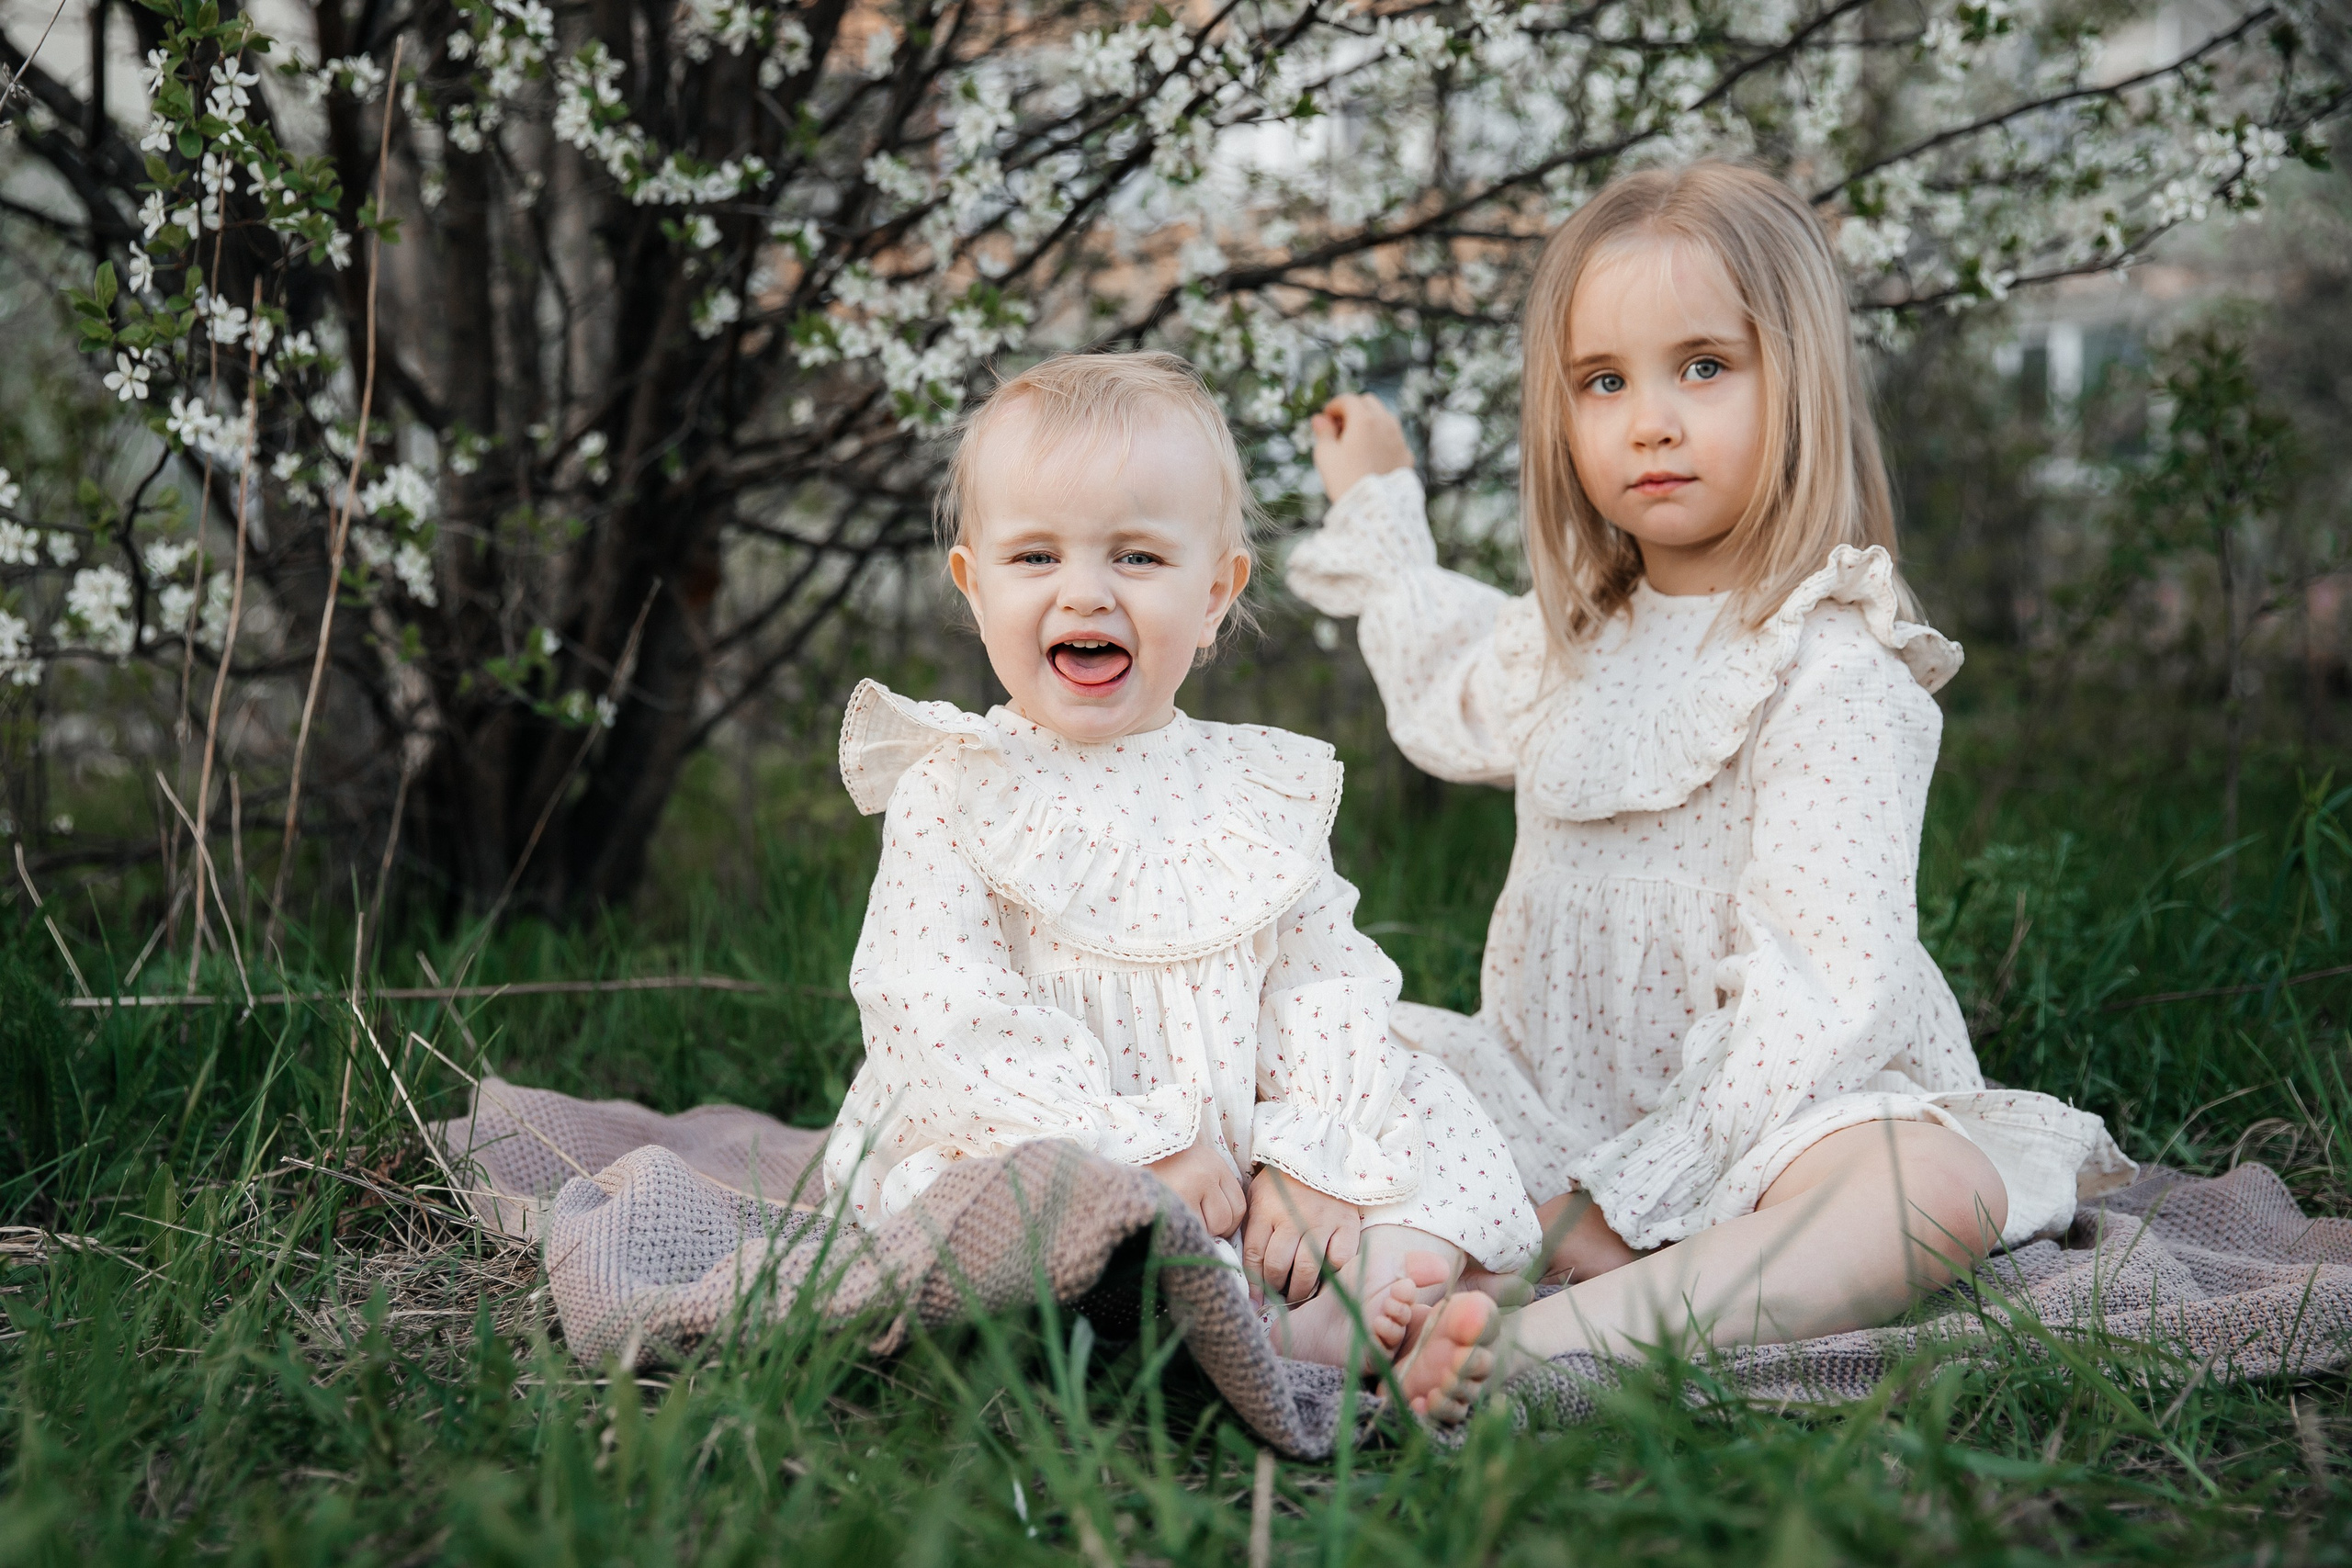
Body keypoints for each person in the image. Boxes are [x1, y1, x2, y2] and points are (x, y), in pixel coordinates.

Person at [1288, 164, 2134, 1416]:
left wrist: (1646, 1186)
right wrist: (1377, 504)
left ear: (1795, 381)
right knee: (1333, 1043)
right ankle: (1388, 1287)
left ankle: (1566, 1332)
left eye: (1703, 367)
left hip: (1768, 1117)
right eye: (1604, 381)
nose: (1651, 420)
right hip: (1555, 1099)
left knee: (1927, 1193)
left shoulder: (1835, 662)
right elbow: (1441, 677)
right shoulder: (1578, 635)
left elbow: (1823, 985)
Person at [823, 350, 1540, 1371]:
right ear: (973, 588)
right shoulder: (958, 786)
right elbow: (937, 1015)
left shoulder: (1254, 790)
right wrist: (1134, 1144)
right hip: (1056, 1142)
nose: (1085, 595)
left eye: (1137, 559)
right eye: (1035, 559)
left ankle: (1352, 1300)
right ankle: (1264, 1326)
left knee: (1424, 1102)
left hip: (1245, 1161)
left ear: (1214, 595)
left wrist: (1308, 1159)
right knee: (1013, 1215)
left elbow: (1319, 981)